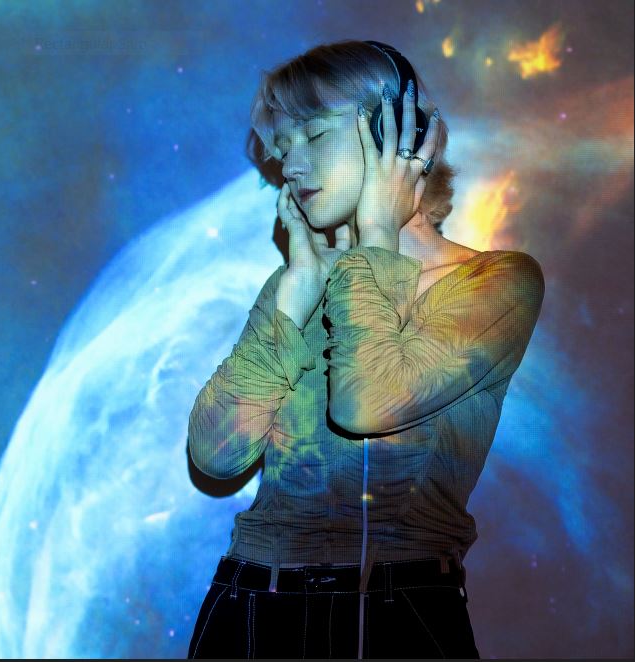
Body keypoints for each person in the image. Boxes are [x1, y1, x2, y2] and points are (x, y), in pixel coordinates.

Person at [185, 40, 544, 659]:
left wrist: (378, 233)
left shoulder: (496, 281)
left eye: (314, 135)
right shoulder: (293, 285)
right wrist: (296, 292)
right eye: (283, 149)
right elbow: (216, 455)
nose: (291, 167)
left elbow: (365, 404)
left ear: (396, 135)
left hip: (397, 617)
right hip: (248, 607)